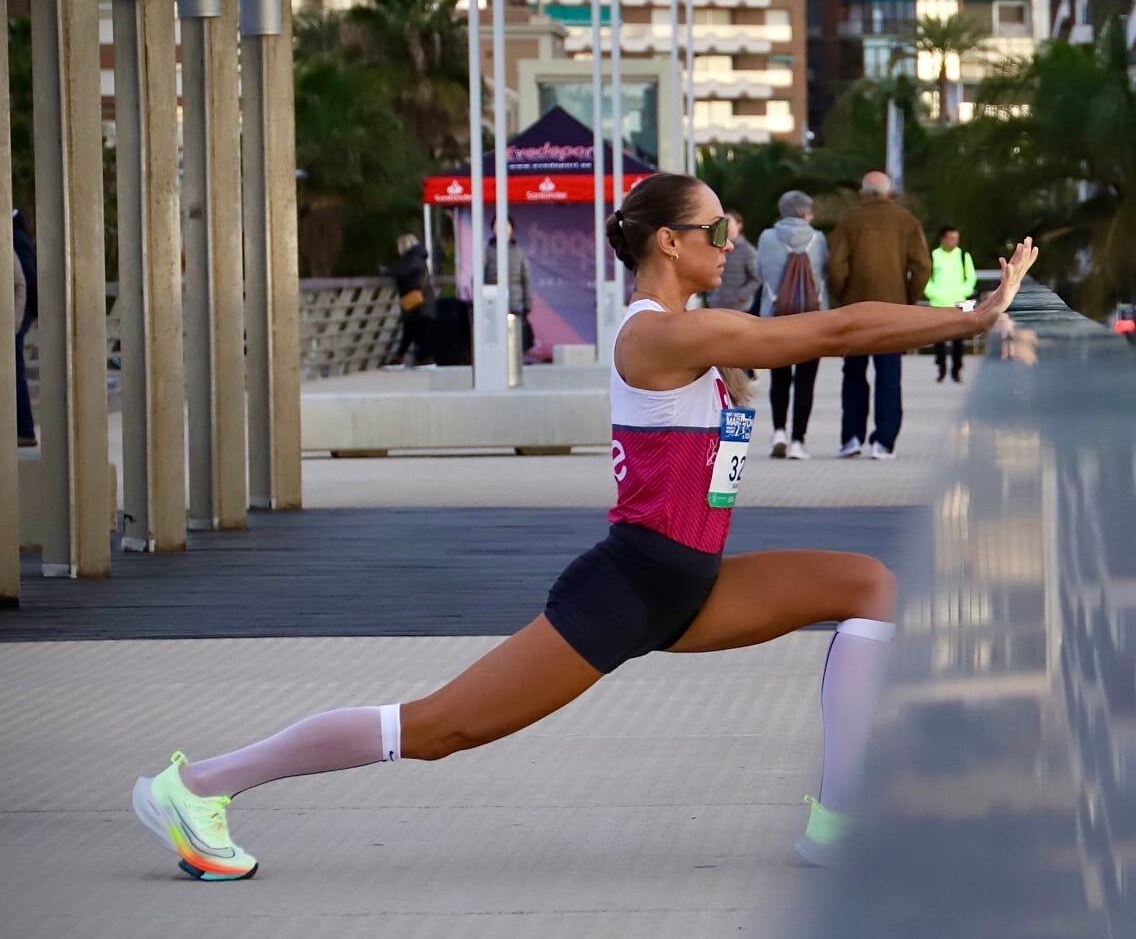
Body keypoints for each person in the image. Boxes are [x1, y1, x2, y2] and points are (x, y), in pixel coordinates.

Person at [129, 171, 1038, 878]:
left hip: (695, 585)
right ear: (671, 242)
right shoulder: (658, 335)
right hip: (630, 586)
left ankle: (840, 825)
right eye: (717, 229)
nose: (730, 241)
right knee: (441, 727)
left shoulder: (685, 327)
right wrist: (970, 313)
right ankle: (201, 785)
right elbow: (831, 333)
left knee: (868, 586)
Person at [828, 171, 931, 460]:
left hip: (855, 310)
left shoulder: (849, 220)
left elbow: (836, 265)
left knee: (853, 374)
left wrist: (843, 295)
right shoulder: (907, 221)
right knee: (889, 375)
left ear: (863, 193)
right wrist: (908, 298)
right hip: (893, 312)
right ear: (889, 193)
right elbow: (922, 266)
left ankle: (851, 438)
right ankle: (883, 442)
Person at [756, 189, 830, 460]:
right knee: (806, 381)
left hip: (776, 318)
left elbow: (758, 270)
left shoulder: (766, 237)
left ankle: (778, 432)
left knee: (779, 378)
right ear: (805, 213)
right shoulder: (818, 239)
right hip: (812, 319)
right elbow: (824, 273)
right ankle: (799, 440)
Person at [925, 225, 978, 383]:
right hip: (938, 303)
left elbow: (971, 278)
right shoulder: (934, 256)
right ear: (943, 239)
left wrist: (964, 291)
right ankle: (941, 368)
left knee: (958, 341)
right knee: (939, 340)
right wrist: (933, 293)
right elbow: (926, 279)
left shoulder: (963, 256)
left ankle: (957, 370)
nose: (953, 241)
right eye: (950, 238)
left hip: (959, 304)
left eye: (956, 238)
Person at [484, 216, 535, 361]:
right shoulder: (487, 251)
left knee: (515, 339)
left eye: (506, 226)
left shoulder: (518, 252)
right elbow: (481, 277)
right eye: (497, 225)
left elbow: (526, 280)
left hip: (515, 303)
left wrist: (528, 304)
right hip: (492, 304)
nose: (502, 229)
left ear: (512, 229)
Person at [388, 233, 437, 367]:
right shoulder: (420, 258)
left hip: (419, 304)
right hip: (423, 303)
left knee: (414, 331)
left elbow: (400, 272)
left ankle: (419, 359)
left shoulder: (411, 260)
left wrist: (385, 271)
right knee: (413, 331)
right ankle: (407, 358)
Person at [12, 211, 38, 447]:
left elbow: (25, 281)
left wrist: (18, 321)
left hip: (19, 313)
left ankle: (25, 430)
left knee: (15, 369)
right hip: (21, 311)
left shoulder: (15, 237)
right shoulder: (19, 235)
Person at [708, 210, 761, 315]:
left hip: (739, 309)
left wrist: (741, 295)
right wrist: (711, 295)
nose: (726, 226)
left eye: (729, 222)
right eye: (723, 223)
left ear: (739, 225)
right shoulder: (716, 248)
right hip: (716, 306)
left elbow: (757, 278)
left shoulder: (748, 250)